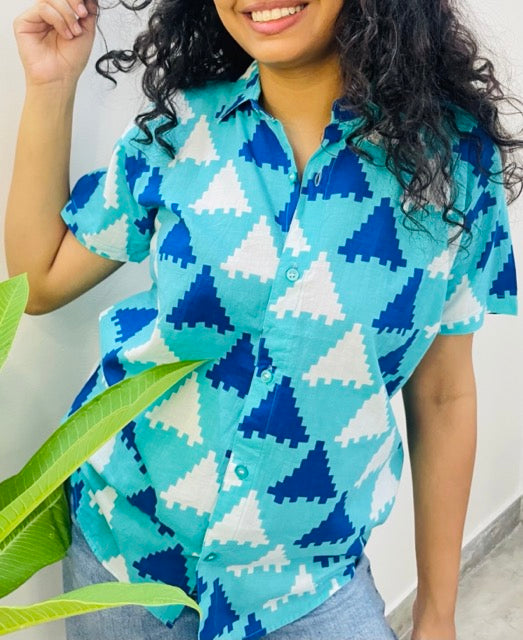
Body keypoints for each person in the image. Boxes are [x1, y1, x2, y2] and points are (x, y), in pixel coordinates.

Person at [5, 0, 521, 639]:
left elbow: (443, 395)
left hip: (306, 583)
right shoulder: (183, 128)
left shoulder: (455, 167)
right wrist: (51, 85)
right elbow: (40, 278)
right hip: (126, 558)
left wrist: (437, 612)